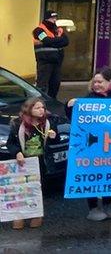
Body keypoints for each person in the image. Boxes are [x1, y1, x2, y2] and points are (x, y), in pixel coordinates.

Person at [66, 67, 111, 221]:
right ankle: (93, 208)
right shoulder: (89, 98)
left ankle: (107, 205)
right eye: (94, 82)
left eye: (100, 82)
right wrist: (70, 106)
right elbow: (75, 120)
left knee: (110, 175)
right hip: (93, 146)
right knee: (92, 175)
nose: (96, 85)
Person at [6, 97, 66, 230]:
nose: (41, 111)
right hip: (23, 161)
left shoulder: (48, 123)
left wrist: (54, 136)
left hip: (40, 161)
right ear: (29, 109)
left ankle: (36, 215)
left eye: (43, 108)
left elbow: (55, 142)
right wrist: (17, 153)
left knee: (37, 188)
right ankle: (19, 216)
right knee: (20, 189)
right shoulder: (17, 124)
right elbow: (11, 143)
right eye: (37, 108)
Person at [32, 10, 69, 98]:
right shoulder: (38, 31)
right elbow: (46, 40)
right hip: (45, 62)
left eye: (55, 18)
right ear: (46, 19)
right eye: (52, 18)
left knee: (55, 85)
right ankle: (41, 102)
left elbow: (66, 41)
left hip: (56, 62)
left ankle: (52, 102)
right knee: (42, 85)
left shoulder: (58, 30)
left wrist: (52, 42)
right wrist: (58, 41)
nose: (54, 20)